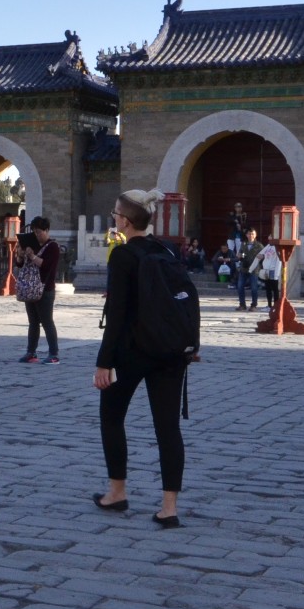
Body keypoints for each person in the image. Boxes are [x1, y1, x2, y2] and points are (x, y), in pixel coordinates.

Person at [92, 189, 189, 530]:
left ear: (125, 221)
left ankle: (117, 492)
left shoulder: (123, 255)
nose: (114, 218)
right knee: (168, 428)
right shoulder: (167, 250)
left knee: (112, 417)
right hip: (170, 351)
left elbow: (116, 314)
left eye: (115, 213)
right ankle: (169, 508)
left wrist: (103, 363)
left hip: (131, 352)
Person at [17, 216, 62, 364]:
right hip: (30, 288)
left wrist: (32, 255)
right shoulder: (32, 245)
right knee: (33, 322)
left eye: (39, 232)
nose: (37, 235)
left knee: (47, 321)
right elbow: (20, 265)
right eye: (35, 232)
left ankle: (54, 354)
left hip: (45, 289)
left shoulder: (53, 246)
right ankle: (31, 352)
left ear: (46, 230)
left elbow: (46, 265)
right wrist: (21, 255)